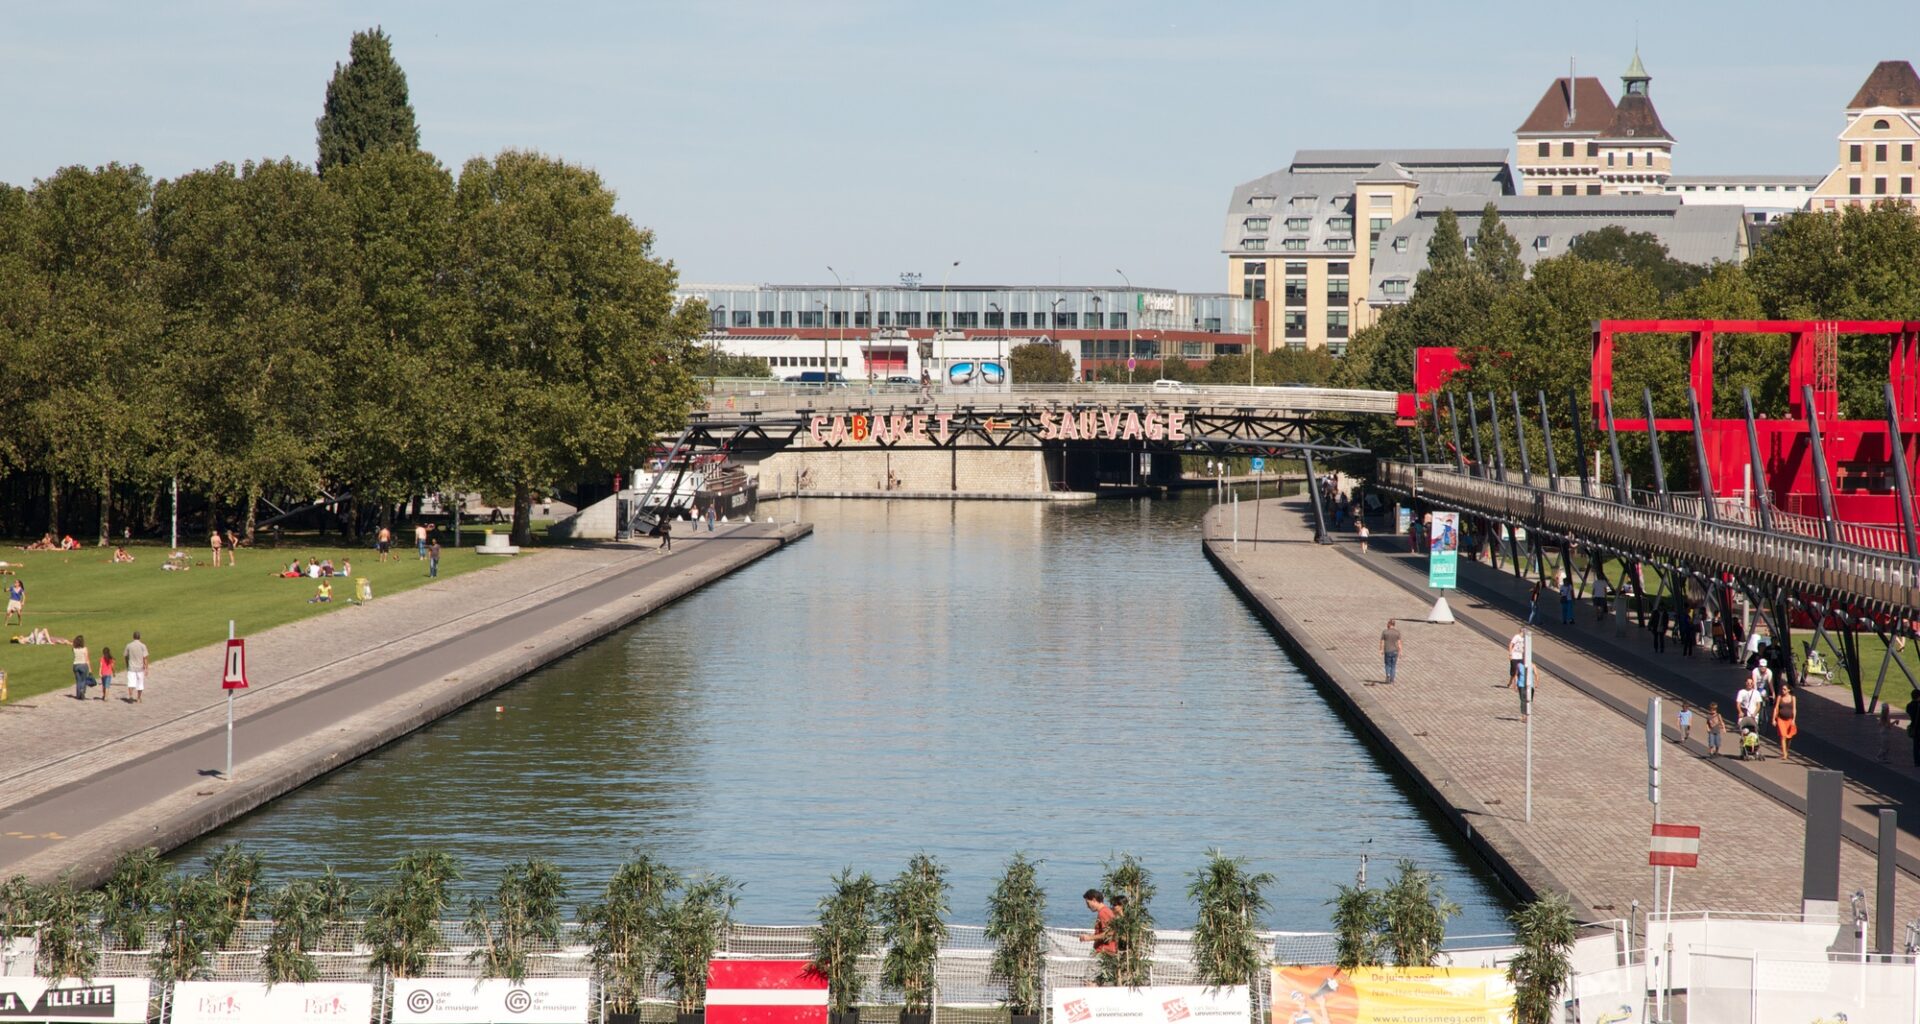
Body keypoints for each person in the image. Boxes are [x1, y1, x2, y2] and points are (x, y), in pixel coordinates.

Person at [1077, 889, 1117, 959]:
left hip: (1105, 951)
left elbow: (1110, 933)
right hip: (1104, 951)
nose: (1087, 906)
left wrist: (1089, 938)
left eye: (1088, 903)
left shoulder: (1103, 912)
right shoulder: (1105, 911)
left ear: (1094, 900)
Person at [1773, 683, 1799, 761]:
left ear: (1788, 690)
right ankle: (1784, 754)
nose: (1783, 690)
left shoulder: (1793, 698)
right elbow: (1776, 708)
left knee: (1789, 737)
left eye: (1784, 689)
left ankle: (1786, 750)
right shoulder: (1780, 697)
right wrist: (1773, 719)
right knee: (1783, 736)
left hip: (1790, 720)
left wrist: (1794, 719)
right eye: (1782, 689)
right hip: (1781, 719)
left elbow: (1794, 709)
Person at [124, 630, 149, 704]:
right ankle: (138, 698)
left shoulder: (129, 645)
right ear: (139, 637)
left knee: (131, 683)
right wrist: (146, 668)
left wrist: (127, 664)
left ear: (133, 637)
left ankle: (131, 695)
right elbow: (145, 658)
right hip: (140, 668)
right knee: (140, 684)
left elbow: (125, 656)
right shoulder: (142, 646)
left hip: (131, 667)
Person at [71, 634, 95, 700]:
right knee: (83, 680)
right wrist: (90, 669)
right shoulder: (85, 649)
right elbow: (87, 659)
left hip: (75, 665)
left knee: (78, 680)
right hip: (83, 665)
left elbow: (72, 643)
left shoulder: (74, 649)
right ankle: (82, 691)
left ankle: (78, 695)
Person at [1381, 619, 1401, 683]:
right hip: (1395, 651)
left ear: (1389, 624)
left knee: (1387, 664)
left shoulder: (1385, 632)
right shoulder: (1397, 632)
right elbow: (1399, 643)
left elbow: (1382, 642)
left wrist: (1381, 649)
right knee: (1393, 665)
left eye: (1387, 623)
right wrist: (1400, 651)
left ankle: (1388, 675)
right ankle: (1392, 679)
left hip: (1387, 650)